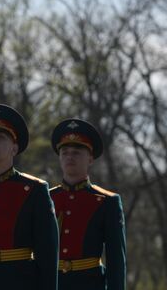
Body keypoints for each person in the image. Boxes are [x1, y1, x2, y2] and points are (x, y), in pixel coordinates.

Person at [0, 104, 58, 290]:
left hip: (20, 281)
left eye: (0, 137)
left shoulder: (34, 190)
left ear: (14, 148)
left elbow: (47, 255)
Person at [49, 119, 126, 290]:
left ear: (90, 159)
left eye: (76, 152)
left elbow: (116, 261)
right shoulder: (46, 198)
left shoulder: (106, 201)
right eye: (65, 152)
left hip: (90, 283)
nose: (70, 156)